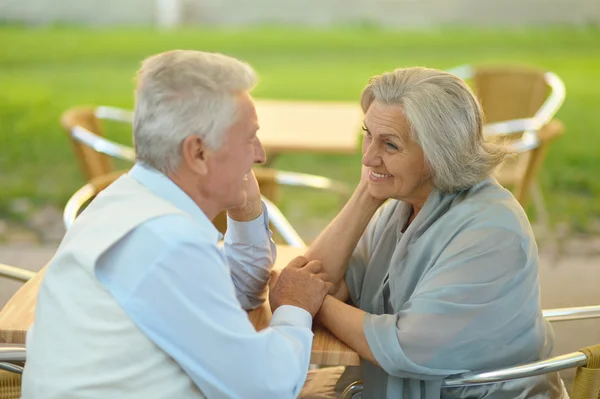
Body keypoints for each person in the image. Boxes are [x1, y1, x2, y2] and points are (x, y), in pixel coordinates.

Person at [21, 50, 334, 399]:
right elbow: (266, 387)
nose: (259, 154)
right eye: (249, 138)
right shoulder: (165, 242)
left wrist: (245, 211)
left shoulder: (125, 200)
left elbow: (238, 294)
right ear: (198, 153)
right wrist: (294, 308)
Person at [302, 67, 568, 398]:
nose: (369, 156)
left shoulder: (491, 230)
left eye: (390, 145)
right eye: (368, 134)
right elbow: (316, 278)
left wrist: (316, 303)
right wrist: (366, 195)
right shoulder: (402, 206)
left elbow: (404, 349)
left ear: (440, 153)